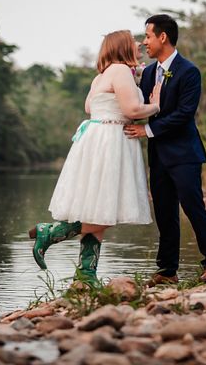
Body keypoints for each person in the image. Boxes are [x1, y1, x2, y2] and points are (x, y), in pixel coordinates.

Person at [29, 30, 161, 286]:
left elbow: (90, 108)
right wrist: (156, 105)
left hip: (94, 138)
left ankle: (86, 275)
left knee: (99, 206)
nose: (138, 43)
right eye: (133, 40)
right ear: (123, 46)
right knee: (104, 211)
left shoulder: (100, 76)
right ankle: (51, 232)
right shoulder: (121, 71)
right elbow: (132, 110)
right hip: (111, 140)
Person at [124, 14, 206, 285]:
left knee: (193, 207)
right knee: (165, 213)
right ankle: (167, 271)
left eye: (148, 36)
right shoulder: (148, 74)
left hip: (184, 154)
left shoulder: (189, 71)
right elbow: (141, 106)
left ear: (162, 37)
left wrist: (148, 130)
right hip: (157, 155)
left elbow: (184, 114)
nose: (145, 43)